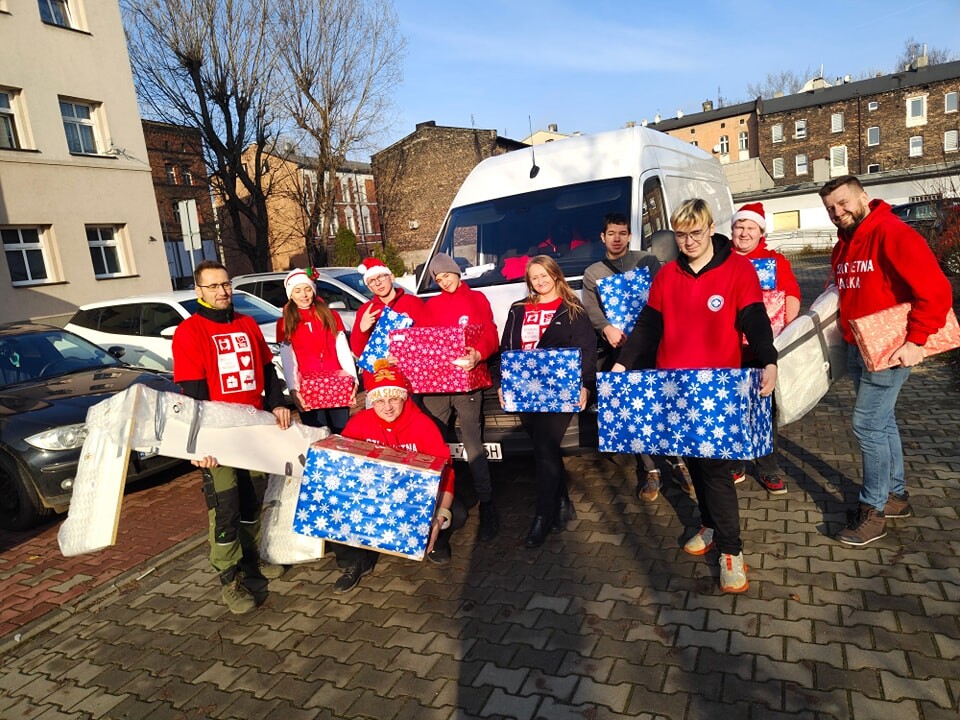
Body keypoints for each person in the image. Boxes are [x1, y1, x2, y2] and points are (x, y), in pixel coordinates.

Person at [614, 199, 778, 594]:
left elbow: (754, 318)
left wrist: (769, 359)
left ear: (709, 228)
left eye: (695, 233)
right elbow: (649, 325)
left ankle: (731, 551)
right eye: (681, 235)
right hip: (675, 386)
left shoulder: (737, 269)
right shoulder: (668, 275)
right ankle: (708, 523)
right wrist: (622, 364)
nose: (688, 241)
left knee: (716, 471)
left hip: (717, 387)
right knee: (692, 460)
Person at [819, 175, 953, 546]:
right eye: (830, 208)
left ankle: (873, 511)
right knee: (882, 421)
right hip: (860, 346)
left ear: (864, 196)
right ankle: (895, 495)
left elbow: (937, 292)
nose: (838, 212)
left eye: (843, 203)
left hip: (892, 347)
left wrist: (916, 341)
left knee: (867, 425)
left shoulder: (894, 234)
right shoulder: (843, 244)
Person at [172, 259, 292, 614]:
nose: (222, 291)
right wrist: (197, 444)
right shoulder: (190, 332)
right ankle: (230, 576)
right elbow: (193, 395)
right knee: (226, 507)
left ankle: (252, 559)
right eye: (213, 286)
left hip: (253, 428)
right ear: (199, 290)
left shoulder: (247, 323)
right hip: (218, 437)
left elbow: (267, 370)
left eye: (225, 284)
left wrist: (277, 404)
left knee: (253, 499)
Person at [581, 212, 695, 503]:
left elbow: (664, 294)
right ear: (602, 237)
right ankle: (651, 469)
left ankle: (679, 463)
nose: (617, 239)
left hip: (656, 344)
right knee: (636, 408)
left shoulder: (647, 261)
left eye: (622, 233)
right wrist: (606, 328)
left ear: (630, 236)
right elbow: (591, 309)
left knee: (667, 404)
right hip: (622, 349)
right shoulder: (593, 273)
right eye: (611, 233)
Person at [331, 360, 466, 593]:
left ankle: (436, 541)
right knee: (331, 506)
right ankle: (356, 560)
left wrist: (439, 516)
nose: (388, 407)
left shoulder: (423, 425)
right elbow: (341, 461)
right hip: (373, 494)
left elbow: (446, 472)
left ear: (404, 397)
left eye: (393, 399)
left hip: (413, 497)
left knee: (458, 513)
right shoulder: (359, 423)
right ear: (372, 401)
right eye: (380, 401)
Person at [499, 256, 597, 549]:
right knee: (546, 449)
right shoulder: (518, 309)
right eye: (534, 277)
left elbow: (586, 350)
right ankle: (563, 500)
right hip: (523, 390)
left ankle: (542, 515)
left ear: (555, 275)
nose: (540, 281)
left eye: (544, 275)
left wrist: (585, 385)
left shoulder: (573, 309)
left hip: (559, 391)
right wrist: (503, 384)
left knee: (543, 448)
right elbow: (507, 348)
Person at [421, 253, 502, 542]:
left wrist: (479, 353)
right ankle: (434, 503)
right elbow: (423, 340)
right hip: (437, 386)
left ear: (456, 272)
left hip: (468, 383)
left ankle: (487, 503)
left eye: (446, 275)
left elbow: (490, 332)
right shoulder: (431, 306)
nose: (443, 282)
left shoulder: (476, 299)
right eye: (438, 279)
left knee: (472, 443)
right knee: (433, 443)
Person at [728, 202, 802, 495]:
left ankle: (768, 467)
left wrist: (784, 334)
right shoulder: (722, 260)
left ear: (761, 233)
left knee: (764, 408)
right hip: (728, 349)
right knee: (732, 406)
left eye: (750, 228)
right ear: (732, 230)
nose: (744, 233)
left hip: (762, 349)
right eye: (739, 227)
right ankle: (735, 463)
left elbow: (792, 295)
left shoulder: (774, 261)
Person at [276, 268, 357, 434]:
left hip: (337, 384)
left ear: (313, 290)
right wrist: (293, 389)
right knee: (318, 434)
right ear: (290, 295)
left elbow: (343, 351)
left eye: (307, 289)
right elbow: (289, 360)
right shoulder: (285, 322)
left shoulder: (331, 316)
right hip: (308, 389)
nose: (304, 295)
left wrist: (353, 380)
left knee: (341, 432)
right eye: (297, 291)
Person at [349, 257, 428, 387]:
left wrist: (402, 355)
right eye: (372, 281)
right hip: (378, 380)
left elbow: (426, 338)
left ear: (391, 277)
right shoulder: (366, 310)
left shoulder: (412, 303)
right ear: (369, 287)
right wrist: (362, 330)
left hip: (409, 377)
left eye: (381, 277)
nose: (378, 283)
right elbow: (358, 352)